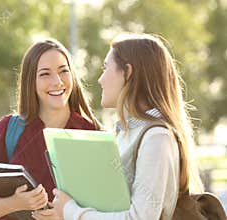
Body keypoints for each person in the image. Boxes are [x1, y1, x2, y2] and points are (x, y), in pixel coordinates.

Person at [33, 33, 204, 220]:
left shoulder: (157, 138)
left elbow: (140, 218)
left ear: (128, 73)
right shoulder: (127, 133)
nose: (100, 79)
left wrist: (71, 212)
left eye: (106, 68)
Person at [0, 38, 101, 220]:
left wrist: (67, 215)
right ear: (30, 82)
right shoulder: (9, 129)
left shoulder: (93, 134)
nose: (57, 82)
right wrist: (15, 203)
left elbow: (108, 207)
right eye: (45, 74)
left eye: (64, 71)